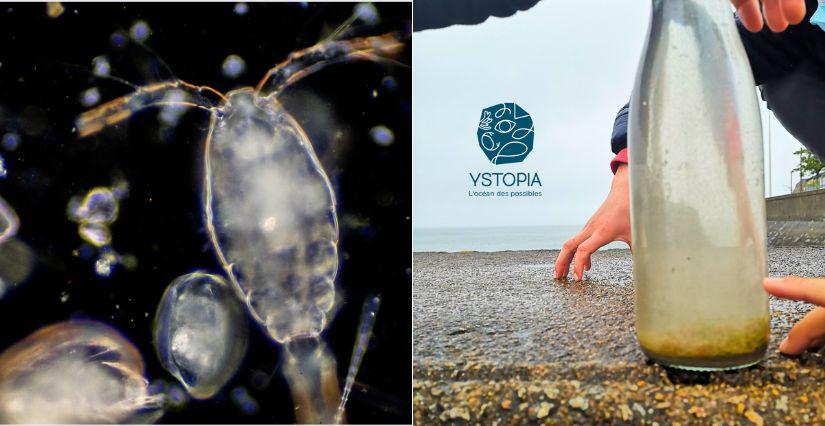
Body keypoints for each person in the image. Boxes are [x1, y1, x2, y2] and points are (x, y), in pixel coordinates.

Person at [554, 0, 825, 356]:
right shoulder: (802, 19)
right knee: (781, 74)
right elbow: (685, 68)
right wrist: (632, 172)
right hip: (800, 39)